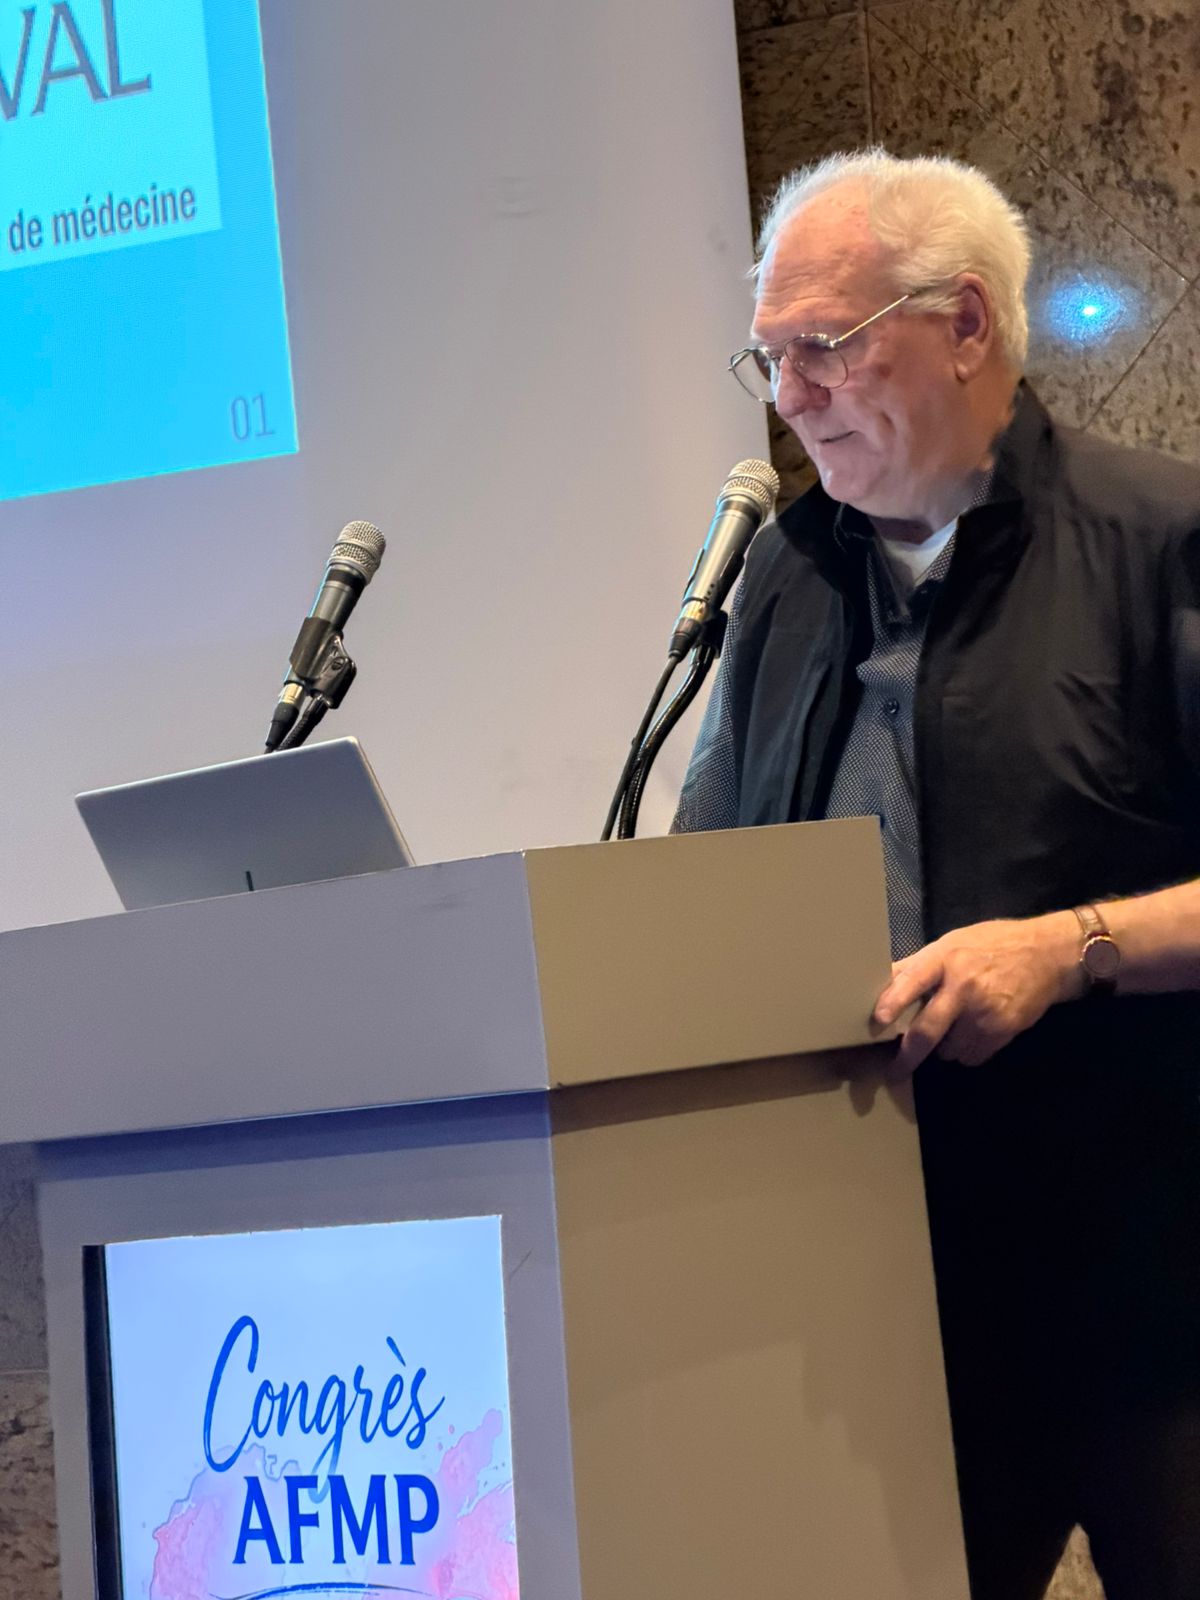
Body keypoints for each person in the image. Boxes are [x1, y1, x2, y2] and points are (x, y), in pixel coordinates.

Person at [673, 149, 1200, 1600]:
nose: (791, 397)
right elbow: (705, 880)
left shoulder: (1158, 541)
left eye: (825, 347)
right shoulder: (786, 576)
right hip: (892, 1296)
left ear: (966, 324)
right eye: (771, 357)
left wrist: (1068, 949)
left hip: (1157, 1286)